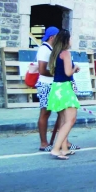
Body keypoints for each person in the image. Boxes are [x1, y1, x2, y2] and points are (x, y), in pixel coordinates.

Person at [35, 27, 77, 152]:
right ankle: (44, 143)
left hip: (55, 84)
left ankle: (64, 143)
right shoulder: (44, 49)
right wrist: (59, 73)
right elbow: (42, 70)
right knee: (45, 113)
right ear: (52, 37)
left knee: (62, 116)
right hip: (47, 84)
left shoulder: (56, 50)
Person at [46, 29, 80, 160]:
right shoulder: (66, 53)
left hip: (56, 88)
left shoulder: (55, 53)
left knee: (64, 121)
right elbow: (68, 73)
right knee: (71, 120)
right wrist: (75, 68)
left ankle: (64, 148)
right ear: (66, 40)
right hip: (65, 88)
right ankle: (56, 149)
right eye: (70, 38)